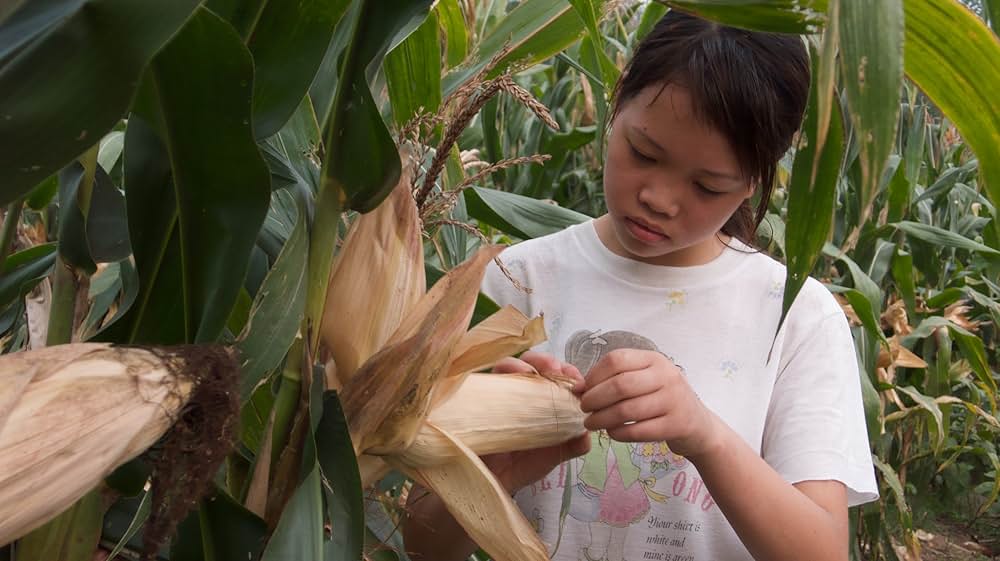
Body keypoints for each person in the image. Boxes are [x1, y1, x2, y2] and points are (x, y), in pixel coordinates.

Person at [404, 10, 878, 561]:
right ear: (619, 95)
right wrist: (494, 476)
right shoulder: (515, 281)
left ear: (756, 179)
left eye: (708, 185)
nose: (659, 197)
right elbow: (422, 545)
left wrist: (704, 434)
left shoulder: (796, 317)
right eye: (644, 154)